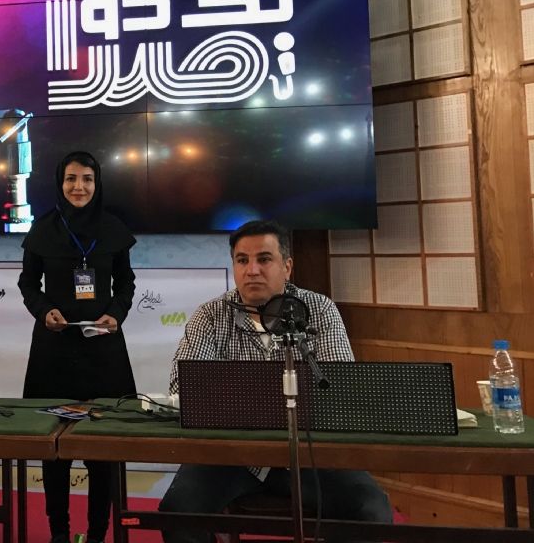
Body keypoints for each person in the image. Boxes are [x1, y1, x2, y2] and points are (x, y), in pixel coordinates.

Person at [158, 219, 392, 543]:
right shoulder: (210, 315)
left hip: (312, 454)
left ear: (287, 266)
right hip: (231, 457)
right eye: (242, 260)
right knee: (177, 512)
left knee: (372, 511)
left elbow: (338, 388)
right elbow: (184, 389)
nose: (252, 270)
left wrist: (238, 395)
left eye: (264, 259)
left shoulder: (320, 310)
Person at [19, 150, 137, 543]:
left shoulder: (113, 228)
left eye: (87, 178)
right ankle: (59, 533)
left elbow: (126, 282)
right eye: (71, 178)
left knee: (102, 449)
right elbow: (27, 284)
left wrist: (116, 314)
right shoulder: (42, 229)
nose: (79, 187)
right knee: (54, 449)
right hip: (54, 350)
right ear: (60, 182)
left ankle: (98, 534)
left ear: (96, 183)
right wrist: (44, 311)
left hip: (103, 349)